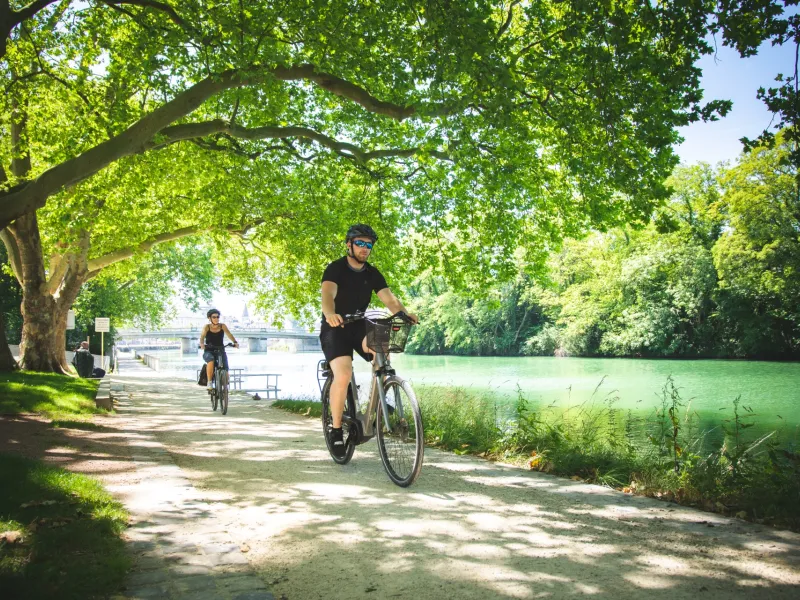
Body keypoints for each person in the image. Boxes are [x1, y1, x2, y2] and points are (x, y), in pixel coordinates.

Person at [320, 224, 418, 457]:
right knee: (343, 375)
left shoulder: (372, 273)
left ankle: (381, 398)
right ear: (349, 245)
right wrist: (330, 314)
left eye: (369, 244)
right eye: (361, 243)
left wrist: (404, 314)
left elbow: (390, 301)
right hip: (335, 327)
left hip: (359, 325)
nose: (365, 248)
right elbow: (328, 295)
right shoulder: (336, 268)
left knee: (382, 348)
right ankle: (335, 430)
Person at [199, 309, 239, 391]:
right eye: (214, 317)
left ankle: (224, 387)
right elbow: (202, 337)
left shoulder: (222, 326)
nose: (216, 319)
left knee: (226, 368)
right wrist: (202, 344)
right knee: (211, 360)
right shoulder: (207, 327)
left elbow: (229, 334)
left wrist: (235, 342)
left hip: (220, 349)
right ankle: (209, 382)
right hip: (209, 350)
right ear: (209, 318)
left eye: (217, 317)